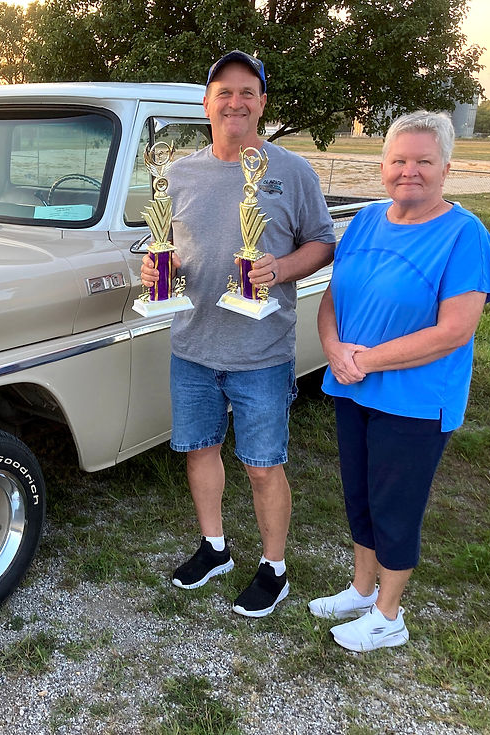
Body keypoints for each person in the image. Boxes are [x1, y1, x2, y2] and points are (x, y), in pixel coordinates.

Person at [141, 50, 336, 617]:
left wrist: (278, 269)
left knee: (262, 464)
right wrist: (162, 269)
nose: (235, 102)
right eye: (223, 92)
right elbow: (171, 246)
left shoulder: (291, 172)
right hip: (193, 346)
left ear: (262, 103)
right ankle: (215, 548)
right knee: (200, 452)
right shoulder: (178, 174)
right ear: (207, 104)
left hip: (262, 350)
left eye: (247, 92)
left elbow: (322, 242)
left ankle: (274, 567)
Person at [308, 110, 490, 651]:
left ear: (446, 168)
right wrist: (332, 348)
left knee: (396, 504)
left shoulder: (465, 235)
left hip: (414, 400)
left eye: (423, 161)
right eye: (398, 160)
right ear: (382, 164)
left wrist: (364, 360)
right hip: (353, 386)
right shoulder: (367, 220)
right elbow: (333, 298)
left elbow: (453, 332)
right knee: (361, 497)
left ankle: (389, 617)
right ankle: (361, 590)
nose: (408, 171)